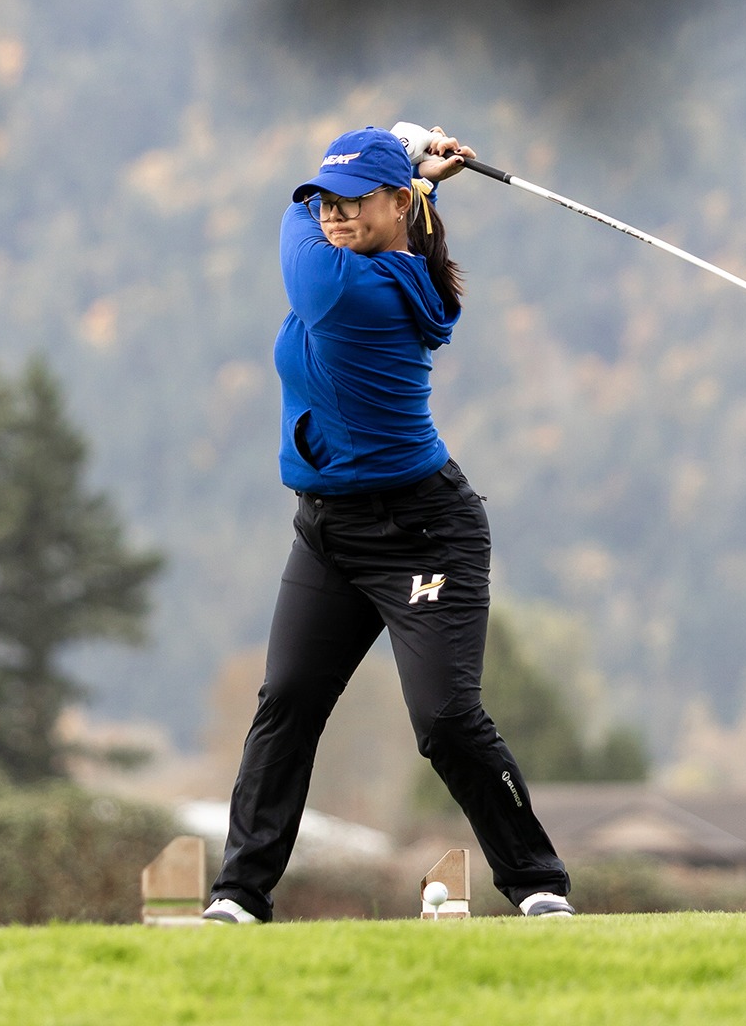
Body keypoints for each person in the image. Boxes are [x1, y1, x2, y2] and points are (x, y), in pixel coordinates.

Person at [202, 126, 575, 921]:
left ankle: (538, 882)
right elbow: (360, 219)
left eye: (352, 202)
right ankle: (238, 896)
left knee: (444, 721)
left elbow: (289, 221)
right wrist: (415, 177)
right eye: (328, 202)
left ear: (396, 205)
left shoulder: (342, 287)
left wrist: (407, 163)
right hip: (328, 533)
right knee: (288, 700)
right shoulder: (393, 259)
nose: (333, 214)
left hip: (422, 533)